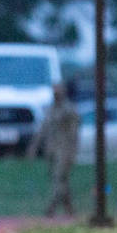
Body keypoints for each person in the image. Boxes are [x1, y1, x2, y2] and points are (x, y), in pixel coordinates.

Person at [27, 82, 80, 217]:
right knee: (61, 179)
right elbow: (43, 130)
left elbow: (74, 133)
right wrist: (34, 146)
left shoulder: (69, 110)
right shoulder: (50, 110)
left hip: (64, 149)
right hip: (51, 149)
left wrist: (73, 151)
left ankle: (51, 207)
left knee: (59, 178)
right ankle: (69, 209)